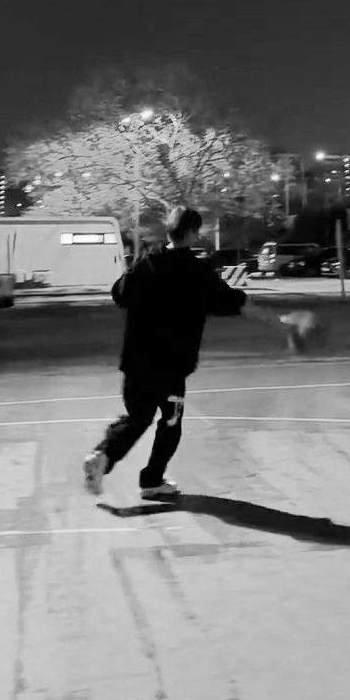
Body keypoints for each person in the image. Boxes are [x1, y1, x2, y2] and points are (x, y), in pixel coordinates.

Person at [83, 204, 271, 500]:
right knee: (170, 424)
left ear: (168, 231)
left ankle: (103, 455)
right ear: (194, 233)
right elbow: (235, 302)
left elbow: (119, 294)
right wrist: (280, 322)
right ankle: (151, 480)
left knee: (138, 418)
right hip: (171, 367)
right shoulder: (198, 272)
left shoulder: (146, 264)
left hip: (136, 362)